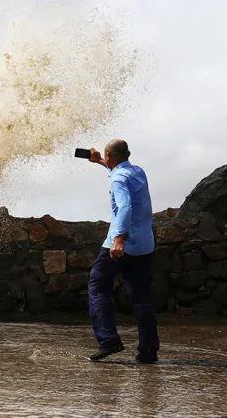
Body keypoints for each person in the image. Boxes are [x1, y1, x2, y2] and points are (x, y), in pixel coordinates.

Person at [86, 139, 160, 364]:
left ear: (110, 157)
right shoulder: (137, 171)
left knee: (98, 286)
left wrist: (119, 239)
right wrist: (99, 161)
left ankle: (108, 340)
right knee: (141, 297)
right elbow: (119, 171)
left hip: (120, 244)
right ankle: (148, 351)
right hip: (145, 245)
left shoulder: (118, 178)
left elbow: (125, 206)